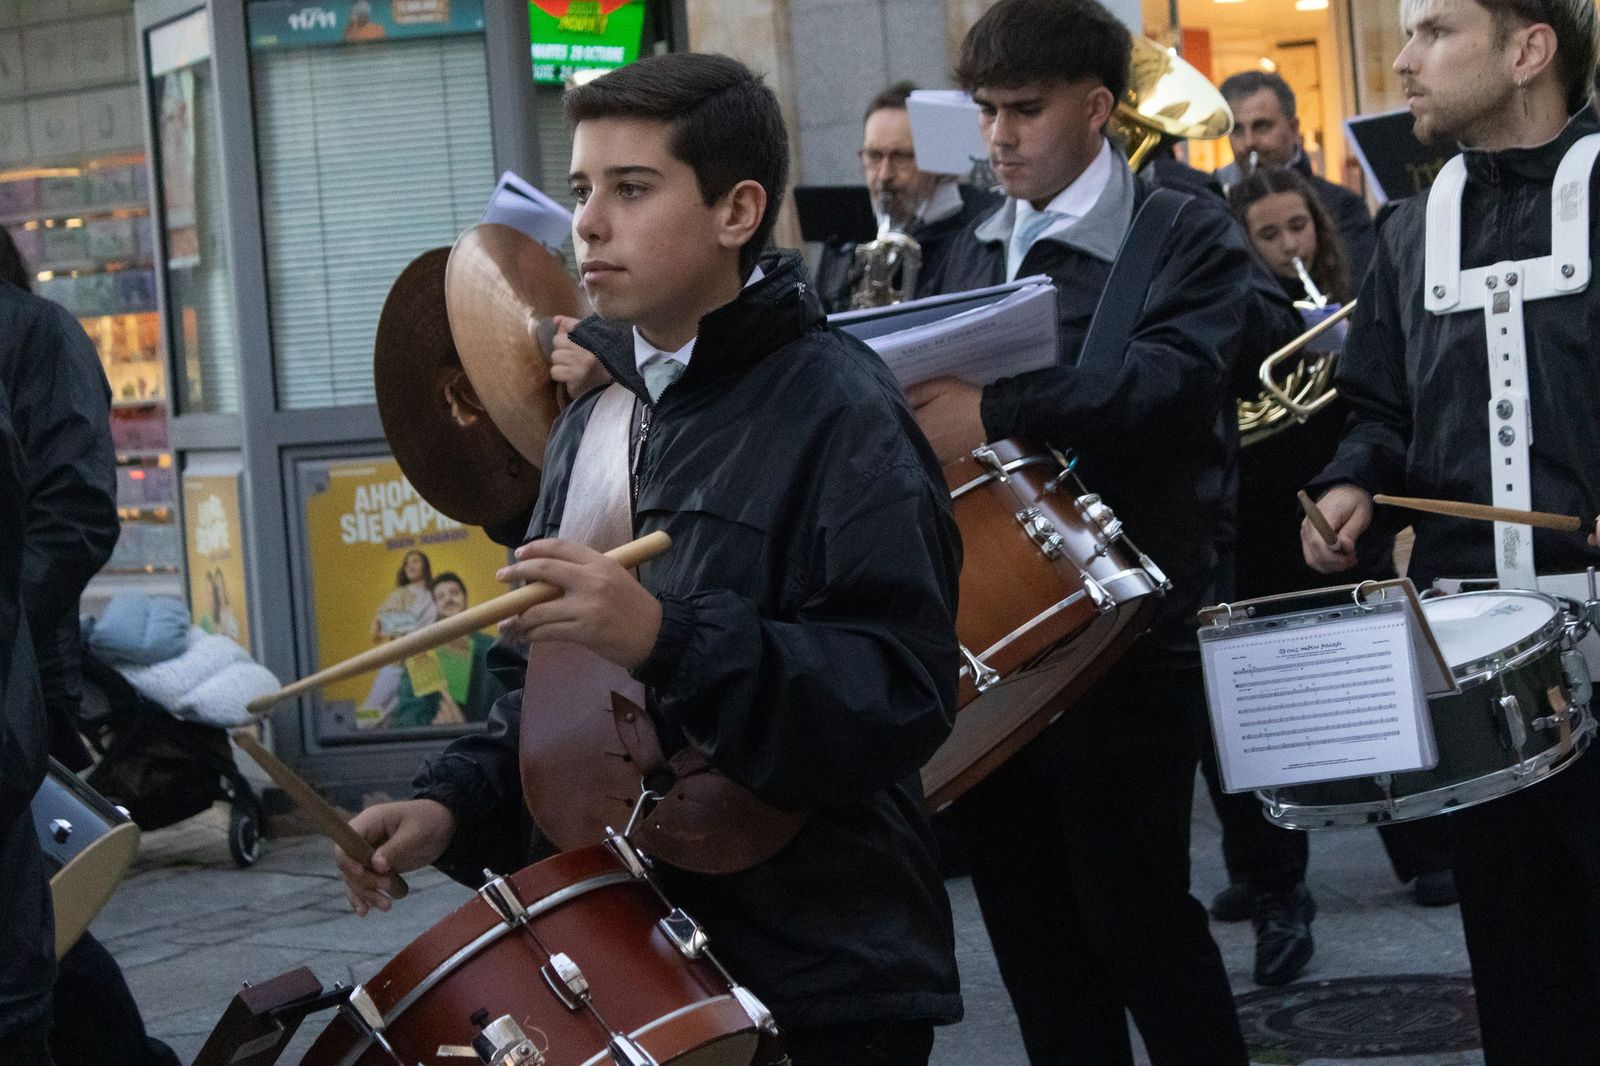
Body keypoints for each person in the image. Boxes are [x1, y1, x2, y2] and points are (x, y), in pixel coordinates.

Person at [335, 52, 964, 1065]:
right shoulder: (592, 422)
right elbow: (546, 701)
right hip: (629, 953)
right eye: (582, 189)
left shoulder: (843, 413)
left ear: (737, 210)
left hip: (822, 972)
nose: (587, 222)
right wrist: (451, 802)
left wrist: (666, 635)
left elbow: (898, 696)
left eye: (631, 190)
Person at [910, 1, 1252, 1061]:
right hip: (995, 629)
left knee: (1138, 917)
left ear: (1098, 108)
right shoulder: (964, 238)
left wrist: (1001, 409)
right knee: (1032, 937)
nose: (999, 136)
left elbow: (1180, 379)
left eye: (1024, 110)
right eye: (986, 112)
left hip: (1129, 633)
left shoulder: (1182, 224)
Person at [1301, 1, 1600, 1061]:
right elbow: (1377, 407)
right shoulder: (1406, 226)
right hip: (1475, 670)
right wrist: (1350, 485)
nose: (1403, 57)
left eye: (1434, 31)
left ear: (1529, 50)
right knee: (1522, 984)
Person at [814, 82, 1000, 312]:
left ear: (939, 165)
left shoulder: (974, 241)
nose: (884, 175)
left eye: (901, 157)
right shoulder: (842, 241)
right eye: (874, 156)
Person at [1215, 70, 1377, 280]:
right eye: (1237, 130)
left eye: (1262, 126)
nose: (1249, 142)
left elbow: (1358, 290)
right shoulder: (1216, 201)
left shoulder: (1343, 206)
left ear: (1293, 129)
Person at [387, 572, 505, 727]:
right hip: (433, 744)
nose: (448, 599)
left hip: (485, 740)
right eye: (440, 596)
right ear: (435, 606)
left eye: (454, 593)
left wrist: (468, 728)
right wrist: (434, 728)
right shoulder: (423, 653)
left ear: (465, 598)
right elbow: (408, 714)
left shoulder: (492, 647)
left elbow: (506, 705)